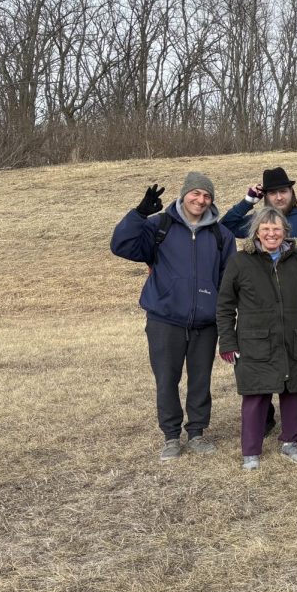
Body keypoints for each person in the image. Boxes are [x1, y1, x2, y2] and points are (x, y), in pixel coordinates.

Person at [110, 173, 236, 462]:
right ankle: (170, 436)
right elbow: (121, 246)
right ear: (184, 195)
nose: (200, 200)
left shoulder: (221, 235)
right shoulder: (159, 225)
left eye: (207, 196)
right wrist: (139, 214)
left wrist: (222, 313)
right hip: (165, 319)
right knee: (167, 379)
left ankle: (197, 433)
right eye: (196, 194)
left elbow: (228, 280)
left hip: (205, 322)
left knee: (200, 380)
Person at [221, 165, 297, 438]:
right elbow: (226, 226)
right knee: (262, 365)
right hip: (259, 305)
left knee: (294, 365)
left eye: (284, 191)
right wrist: (247, 201)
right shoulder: (258, 221)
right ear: (265, 196)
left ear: (292, 192)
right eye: (272, 193)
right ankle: (264, 420)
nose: (279, 197)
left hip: (293, 303)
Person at [216, 207, 297, 471]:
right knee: (255, 395)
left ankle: (290, 442)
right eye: (266, 228)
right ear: (256, 231)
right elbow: (225, 305)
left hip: (293, 338)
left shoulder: (296, 260)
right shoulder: (240, 261)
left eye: (277, 229)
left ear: (285, 232)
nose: (271, 233)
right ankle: (251, 451)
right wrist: (227, 341)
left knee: (293, 391)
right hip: (255, 341)